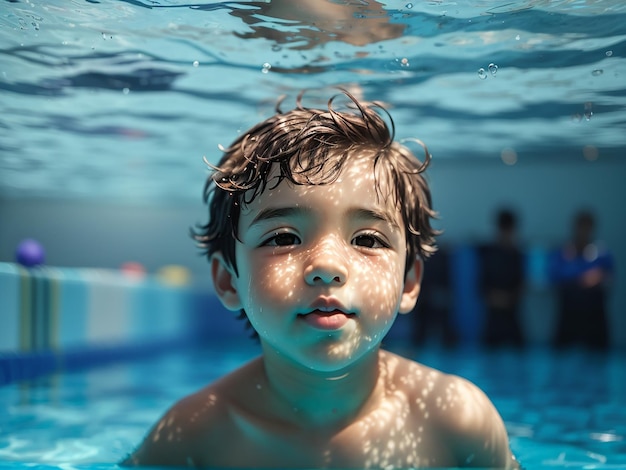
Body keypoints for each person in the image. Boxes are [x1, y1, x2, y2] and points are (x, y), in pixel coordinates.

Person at [122, 90, 519, 469]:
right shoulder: (194, 435)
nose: (327, 265)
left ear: (410, 282)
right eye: (283, 238)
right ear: (228, 281)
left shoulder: (457, 420)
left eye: (366, 239)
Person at [549, 210, 614, 350]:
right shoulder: (562, 252)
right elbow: (554, 276)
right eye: (581, 227)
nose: (583, 232)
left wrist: (597, 277)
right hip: (569, 316)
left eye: (587, 227)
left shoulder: (602, 253)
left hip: (594, 318)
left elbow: (609, 279)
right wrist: (585, 278)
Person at [478, 209, 525, 348]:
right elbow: (482, 285)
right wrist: (495, 298)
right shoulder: (489, 254)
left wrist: (508, 299)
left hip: (511, 314)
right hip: (493, 316)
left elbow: (521, 285)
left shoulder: (516, 255)